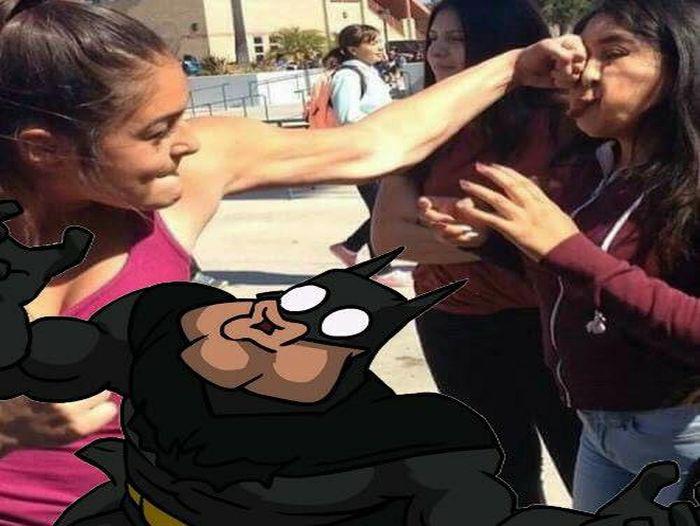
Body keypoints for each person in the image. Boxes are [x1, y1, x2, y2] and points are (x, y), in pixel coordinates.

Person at [0, 0, 594, 523]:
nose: (188, 141)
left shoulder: (189, 172)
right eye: (157, 131)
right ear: (44, 150)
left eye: (183, 115)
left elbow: (372, 144)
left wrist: (513, 65)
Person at [1, 218, 698, 526]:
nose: (283, 324)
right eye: (300, 305)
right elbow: (50, 350)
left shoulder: (407, 453)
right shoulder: (163, 328)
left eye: (330, 334)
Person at [418, 0, 700, 513]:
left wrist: (563, 247)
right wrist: (491, 242)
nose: (584, 73)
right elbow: (572, 281)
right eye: (582, 56)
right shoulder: (594, 168)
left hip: (680, 434)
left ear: (682, 60)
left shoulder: (689, 181)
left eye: (613, 53)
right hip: (599, 431)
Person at [372, 0, 581, 506]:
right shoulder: (423, 126)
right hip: (456, 322)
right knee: (499, 473)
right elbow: (389, 238)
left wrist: (463, 232)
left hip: (551, 321)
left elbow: (581, 234)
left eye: (458, 39)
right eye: (434, 39)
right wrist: (503, 236)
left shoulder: (566, 120)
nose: (438, 52)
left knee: (587, 463)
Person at [326, 24, 412, 288]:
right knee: (383, 212)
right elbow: (347, 116)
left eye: (378, 41)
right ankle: (378, 268)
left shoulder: (369, 72)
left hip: (379, 151)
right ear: (353, 49)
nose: (379, 47)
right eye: (372, 43)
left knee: (383, 210)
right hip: (362, 154)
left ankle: (350, 248)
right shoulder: (348, 76)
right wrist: (384, 122)